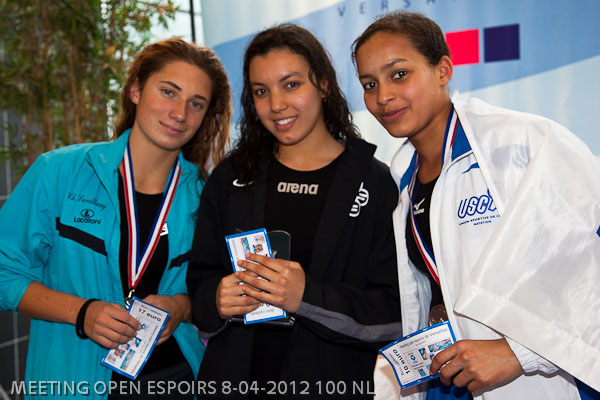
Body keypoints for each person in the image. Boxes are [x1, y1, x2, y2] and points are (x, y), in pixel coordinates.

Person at [352, 10, 600, 400]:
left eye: (399, 74)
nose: (382, 96)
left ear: (443, 70)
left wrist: (519, 354)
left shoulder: (521, 144)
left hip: (539, 384)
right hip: (449, 384)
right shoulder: (403, 178)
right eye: (370, 84)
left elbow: (589, 263)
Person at [0, 38, 231, 399]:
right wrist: (82, 312)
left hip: (176, 379)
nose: (180, 113)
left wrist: (180, 307)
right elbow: (5, 273)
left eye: (196, 103)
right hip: (74, 383)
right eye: (168, 92)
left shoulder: (204, 195)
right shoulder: (60, 172)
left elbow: (211, 287)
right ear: (136, 90)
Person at [186, 23, 402, 398]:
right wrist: (217, 299)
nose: (276, 105)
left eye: (291, 84)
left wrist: (307, 297)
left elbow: (393, 313)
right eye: (261, 91)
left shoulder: (375, 183)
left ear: (323, 84)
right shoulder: (232, 177)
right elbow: (200, 281)